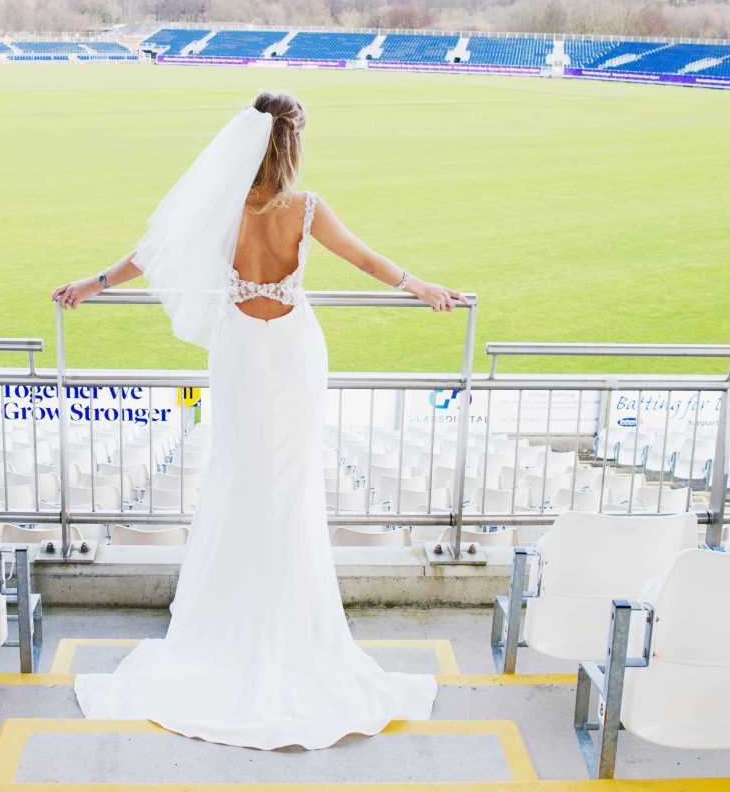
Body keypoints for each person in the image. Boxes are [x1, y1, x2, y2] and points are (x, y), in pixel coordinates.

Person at [50, 89, 469, 751]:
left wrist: (91, 284)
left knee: (239, 475)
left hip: (242, 351)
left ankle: (230, 618)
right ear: (293, 145)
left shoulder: (220, 211)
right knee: (288, 483)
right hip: (294, 352)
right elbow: (364, 259)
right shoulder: (307, 208)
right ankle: (290, 622)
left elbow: (151, 253)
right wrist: (421, 286)